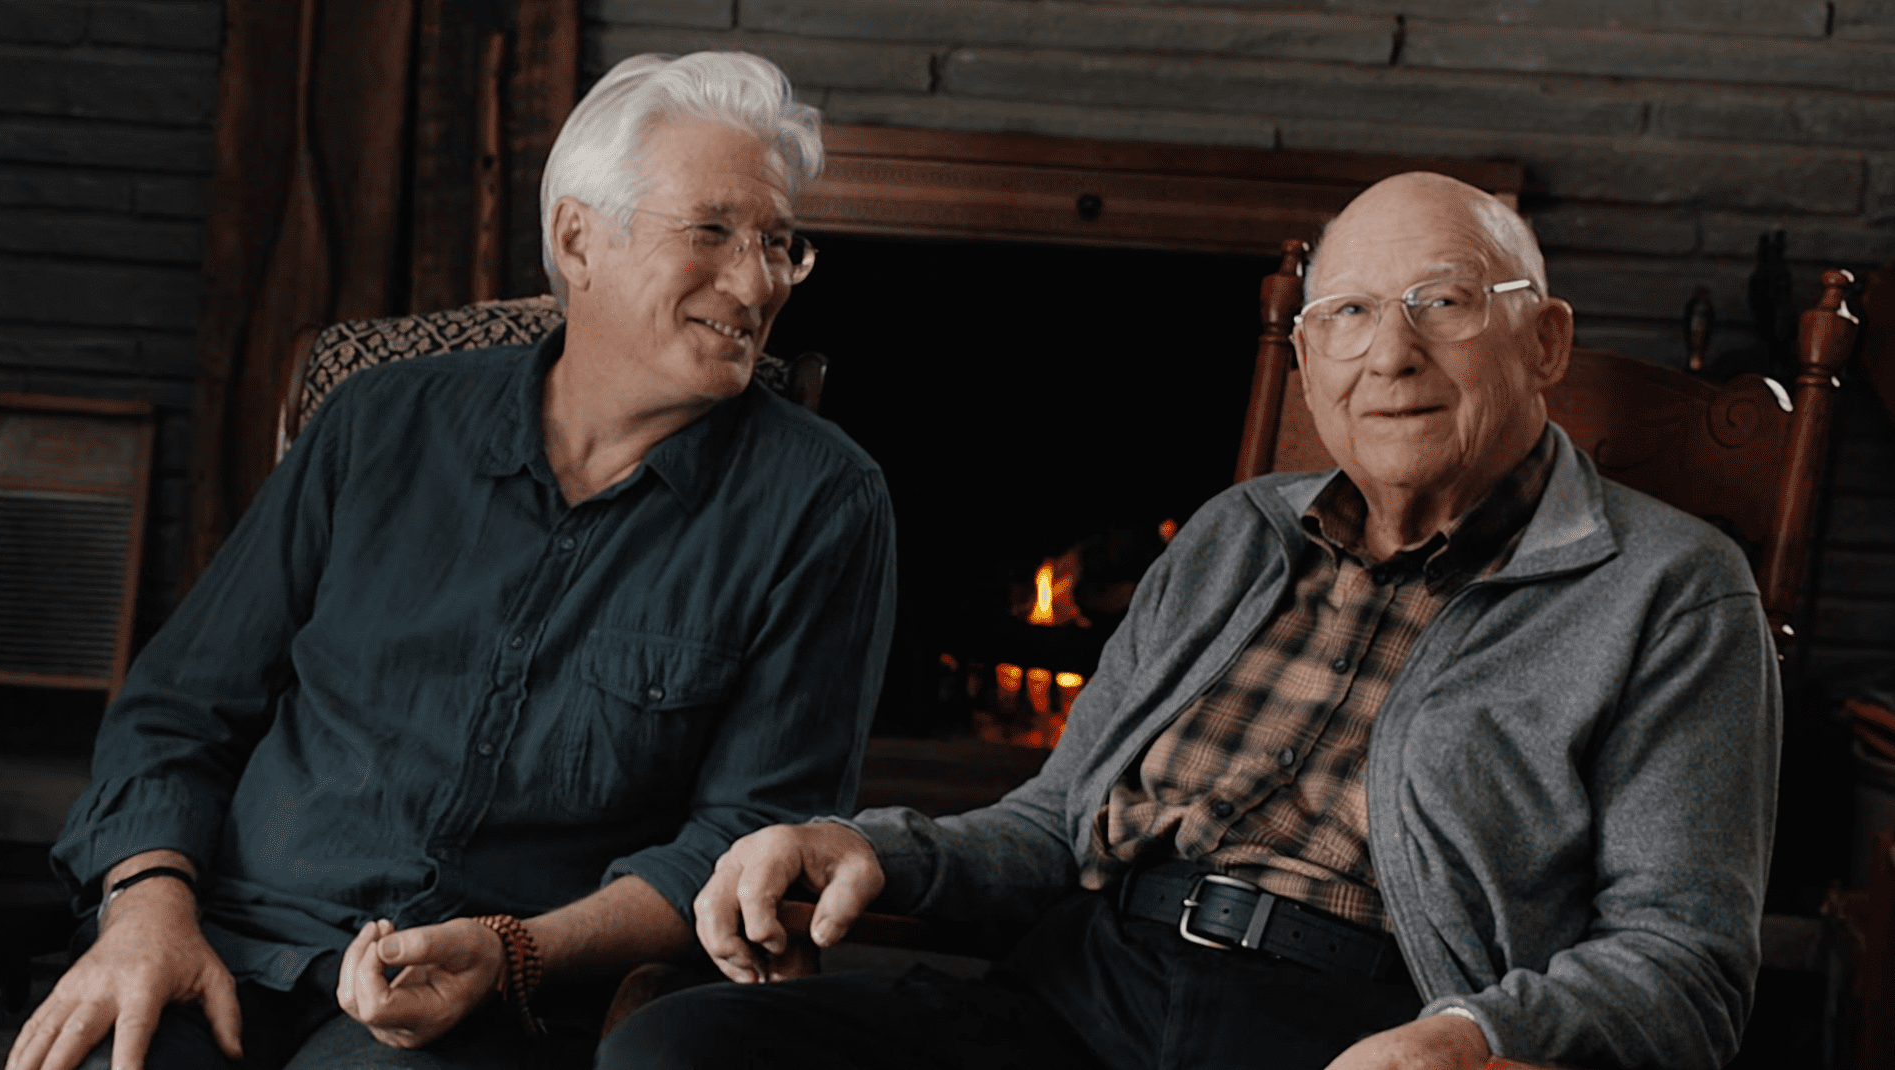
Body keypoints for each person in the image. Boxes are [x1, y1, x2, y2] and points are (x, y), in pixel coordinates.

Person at [604, 172, 1780, 1070]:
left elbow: (1686, 960)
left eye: (1444, 303)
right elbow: (1057, 825)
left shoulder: (1668, 586)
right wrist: (866, 846)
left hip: (1364, 1027)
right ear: (1309, 362)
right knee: (675, 1049)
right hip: (1086, 986)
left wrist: (1470, 1036)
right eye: (1349, 313)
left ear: (1546, 340)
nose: (1391, 352)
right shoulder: (1233, 534)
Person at [8, 51, 895, 1070]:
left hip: (495, 1001)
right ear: (577, 237)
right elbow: (178, 707)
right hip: (226, 938)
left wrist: (515, 949)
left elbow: (747, 840)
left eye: (780, 245)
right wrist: (145, 913)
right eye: (712, 232)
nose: (756, 282)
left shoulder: (823, 503)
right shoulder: (376, 425)